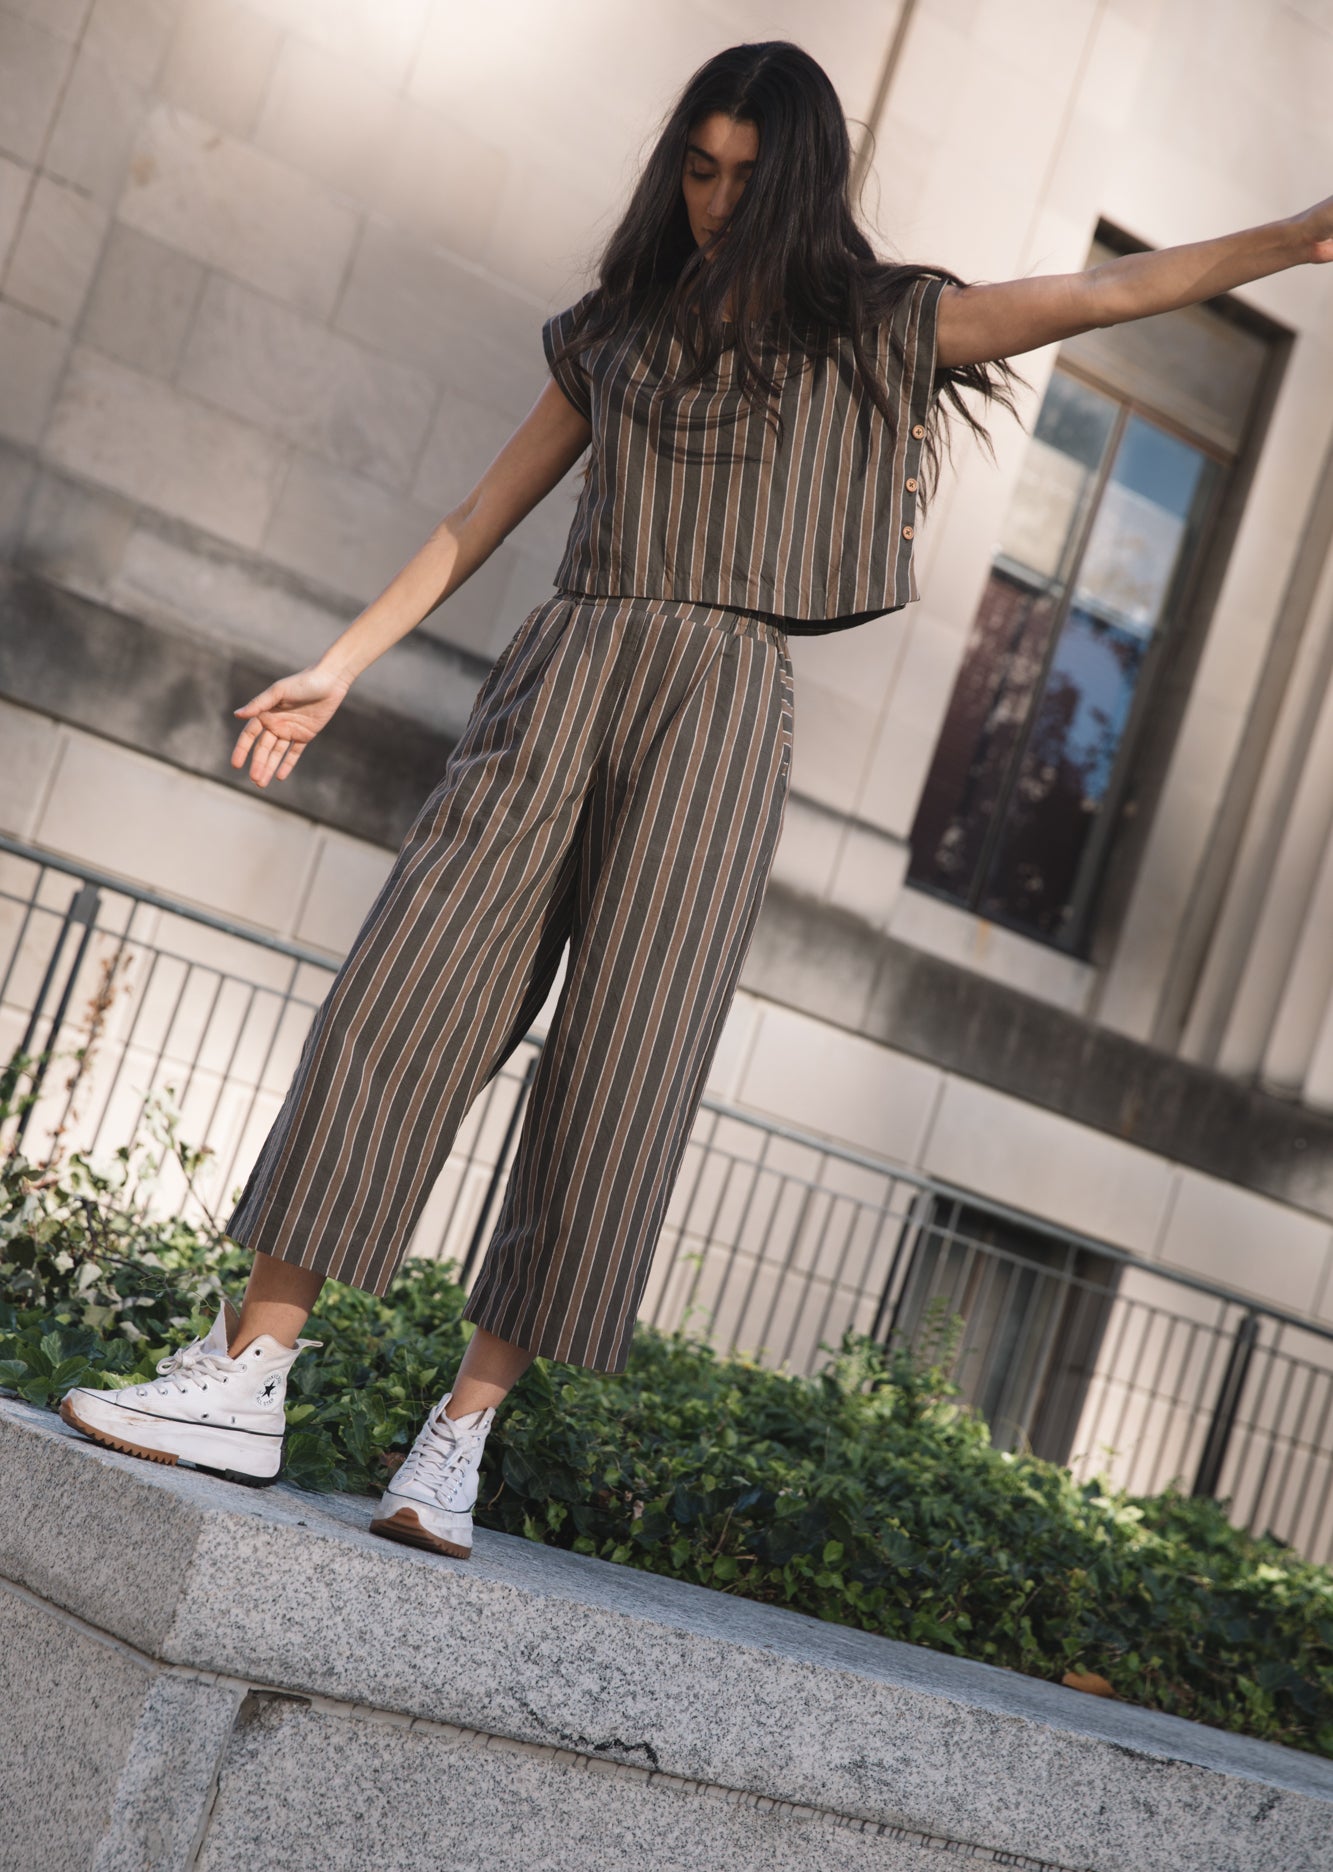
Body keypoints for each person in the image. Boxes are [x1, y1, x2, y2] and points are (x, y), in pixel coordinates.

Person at [60, 41, 1333, 1558]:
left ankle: (456, 1441)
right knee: (400, 998)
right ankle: (251, 1372)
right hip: (563, 672)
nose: (717, 200)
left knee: (626, 1059)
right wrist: (339, 664)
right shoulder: (617, 329)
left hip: (724, 710)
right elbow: (482, 510)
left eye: (744, 173)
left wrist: (1289, 237)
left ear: (797, 178)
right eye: (697, 167)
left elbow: (1105, 297)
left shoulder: (878, 327)